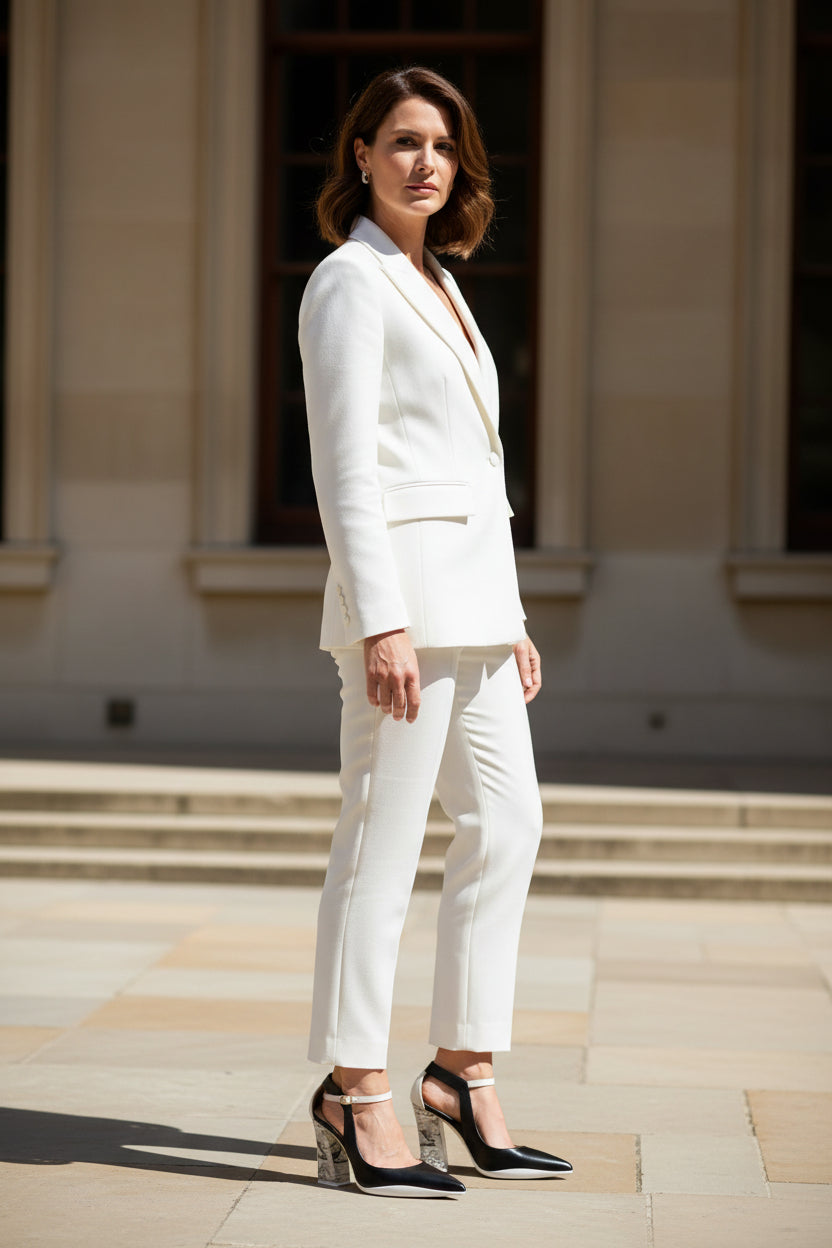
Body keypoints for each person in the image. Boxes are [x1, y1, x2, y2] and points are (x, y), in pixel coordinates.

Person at [299, 66, 572, 1198]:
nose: (426, 163)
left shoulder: (442, 282)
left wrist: (511, 616)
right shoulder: (348, 280)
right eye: (404, 141)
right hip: (404, 612)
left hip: (477, 611)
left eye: (444, 146)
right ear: (361, 154)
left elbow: (474, 469)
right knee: (382, 842)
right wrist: (382, 622)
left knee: (509, 825)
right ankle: (356, 1088)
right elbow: (346, 470)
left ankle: (461, 1072)